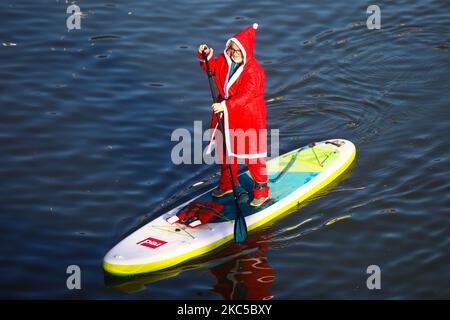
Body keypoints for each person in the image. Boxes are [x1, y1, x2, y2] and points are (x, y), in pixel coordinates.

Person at [197, 23, 269, 207]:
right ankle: (228, 184)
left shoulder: (254, 71)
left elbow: (247, 95)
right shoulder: (224, 60)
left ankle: (261, 191)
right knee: (226, 152)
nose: (234, 53)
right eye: (232, 49)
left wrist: (226, 106)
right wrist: (206, 56)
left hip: (248, 117)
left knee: (252, 156)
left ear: (246, 51)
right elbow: (210, 69)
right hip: (227, 115)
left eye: (238, 50)